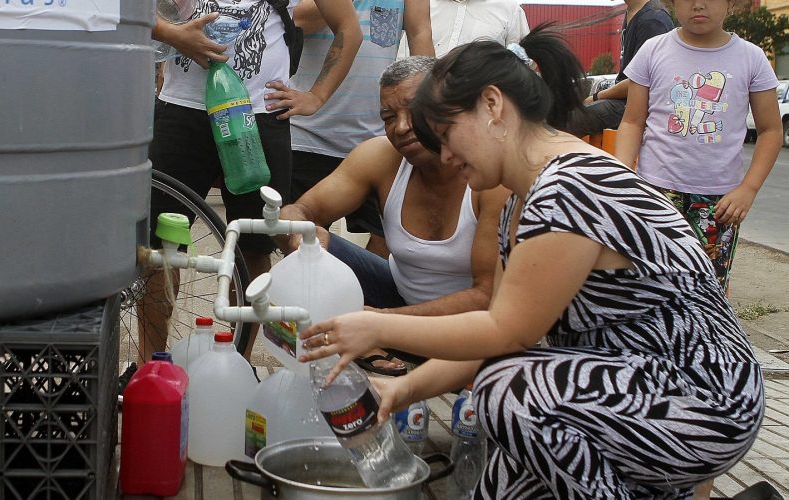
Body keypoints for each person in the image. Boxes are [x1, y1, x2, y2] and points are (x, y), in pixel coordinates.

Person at [299, 26, 763, 498]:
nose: (443, 154)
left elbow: (507, 333)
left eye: (445, 134)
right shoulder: (520, 201)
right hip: (618, 388)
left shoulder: (570, 187)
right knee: (498, 484)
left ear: (493, 105)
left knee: (510, 392)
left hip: (701, 398)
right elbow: (491, 333)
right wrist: (403, 390)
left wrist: (376, 327)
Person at [132, 1, 362, 371]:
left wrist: (315, 96)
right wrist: (171, 33)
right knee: (158, 245)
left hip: (258, 115)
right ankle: (149, 365)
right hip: (182, 108)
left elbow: (349, 29)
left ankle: (236, 364)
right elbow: (129, 8)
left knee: (256, 244)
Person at [276, 56, 509, 375]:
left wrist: (383, 324)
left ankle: (378, 339)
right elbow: (300, 209)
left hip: (472, 330)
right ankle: (350, 347)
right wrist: (300, 231)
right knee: (309, 242)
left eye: (414, 111)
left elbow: (486, 298)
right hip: (396, 301)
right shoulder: (380, 156)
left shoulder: (488, 177)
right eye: (388, 116)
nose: (401, 127)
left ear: (446, 107)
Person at [615, 0, 781, 293]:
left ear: (730, 3)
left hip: (720, 201)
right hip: (655, 191)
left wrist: (748, 189)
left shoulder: (751, 58)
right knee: (649, 283)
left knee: (708, 288)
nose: (698, 4)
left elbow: (769, 131)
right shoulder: (653, 51)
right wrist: (622, 179)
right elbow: (632, 122)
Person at [286, 0, 435, 259]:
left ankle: (361, 296)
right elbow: (295, 21)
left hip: (377, 141)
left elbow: (420, 35)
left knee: (388, 239)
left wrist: (431, 111)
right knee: (294, 235)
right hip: (308, 134)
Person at [571, 0, 674, 137]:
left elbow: (642, 82)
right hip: (626, 99)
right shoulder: (633, 12)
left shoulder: (653, 20)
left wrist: (597, 96)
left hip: (642, 106)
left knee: (572, 119)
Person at [422, 0, 529, 58]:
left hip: (479, 96)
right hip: (421, 95)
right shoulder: (420, 6)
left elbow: (523, 64)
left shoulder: (510, 9)